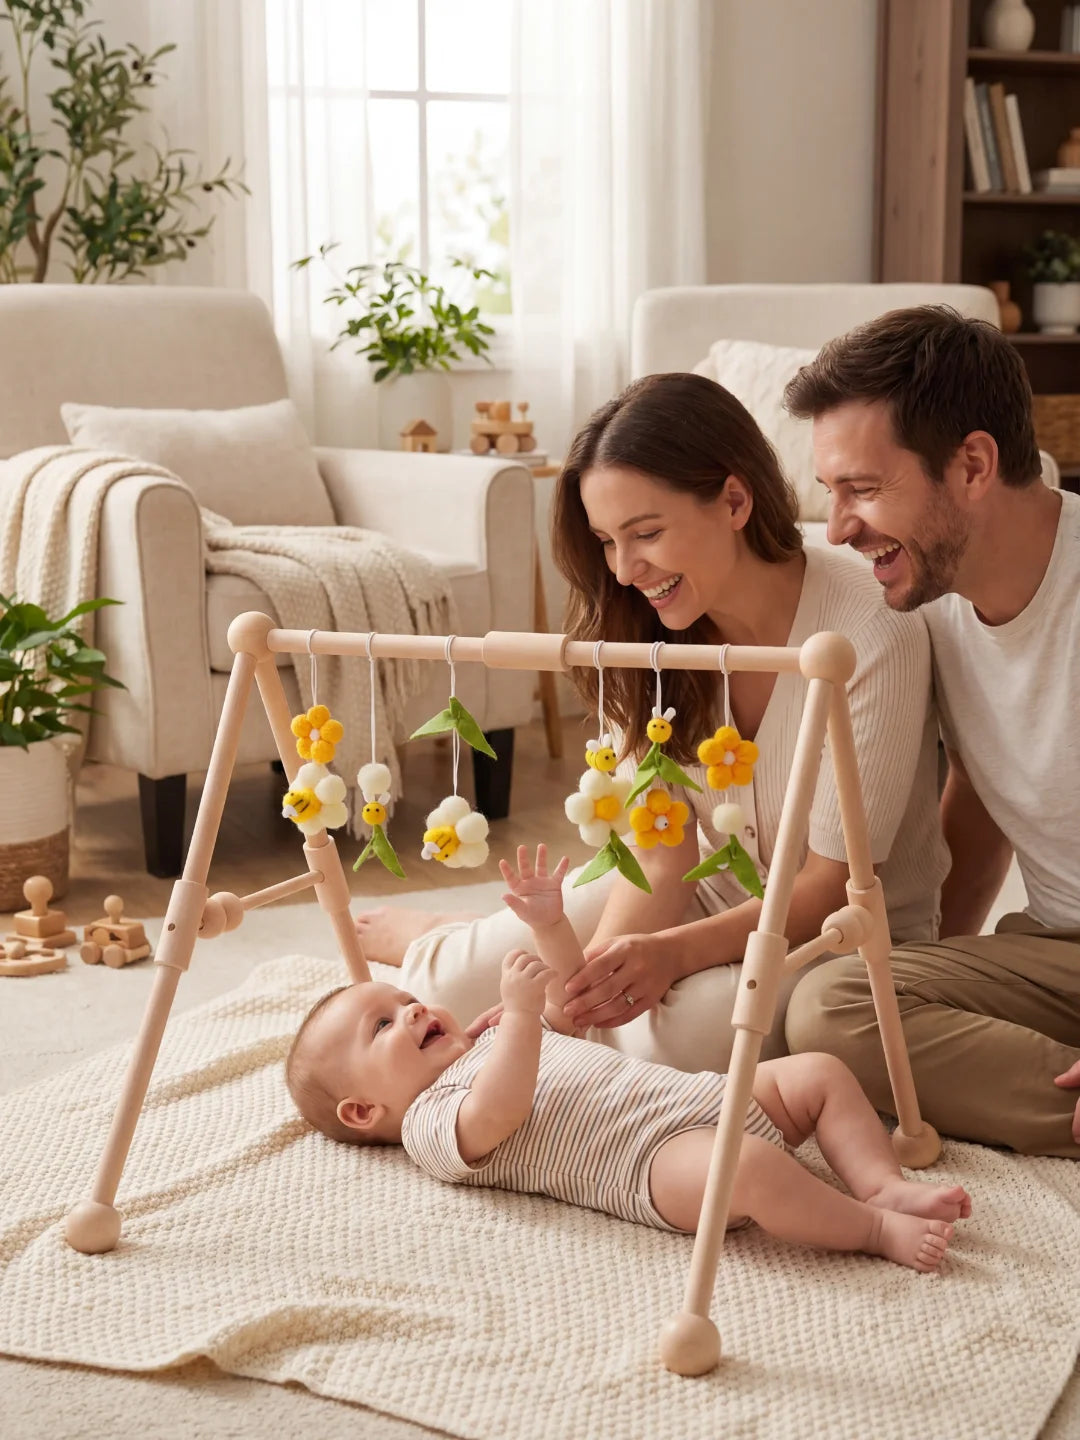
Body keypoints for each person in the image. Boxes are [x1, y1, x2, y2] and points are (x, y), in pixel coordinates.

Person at [359, 371, 949, 1074]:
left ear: (733, 500)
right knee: (450, 988)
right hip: (699, 887)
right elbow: (663, 854)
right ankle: (445, 938)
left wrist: (663, 961)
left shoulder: (869, 625)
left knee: (675, 1040)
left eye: (646, 533)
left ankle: (498, 951)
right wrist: (587, 989)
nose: (625, 568)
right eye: (607, 540)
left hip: (835, 935)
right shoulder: (636, 633)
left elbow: (830, 887)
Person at [291, 847, 967, 1270]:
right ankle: (872, 1227)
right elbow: (499, 1112)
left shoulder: (490, 1036)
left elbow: (569, 998)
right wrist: (521, 1019)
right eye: (383, 1024)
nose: (412, 1010)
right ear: (362, 1109)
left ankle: (877, 1181)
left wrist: (551, 924)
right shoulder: (429, 1125)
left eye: (407, 998)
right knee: (751, 1169)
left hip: (695, 1099)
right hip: (650, 1166)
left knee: (819, 1073)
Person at [782, 304, 1080, 1160]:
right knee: (834, 1004)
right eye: (831, 493)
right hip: (1053, 956)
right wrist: (925, 976)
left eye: (864, 490)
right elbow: (985, 801)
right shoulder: (929, 610)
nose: (839, 528)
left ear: (974, 465)